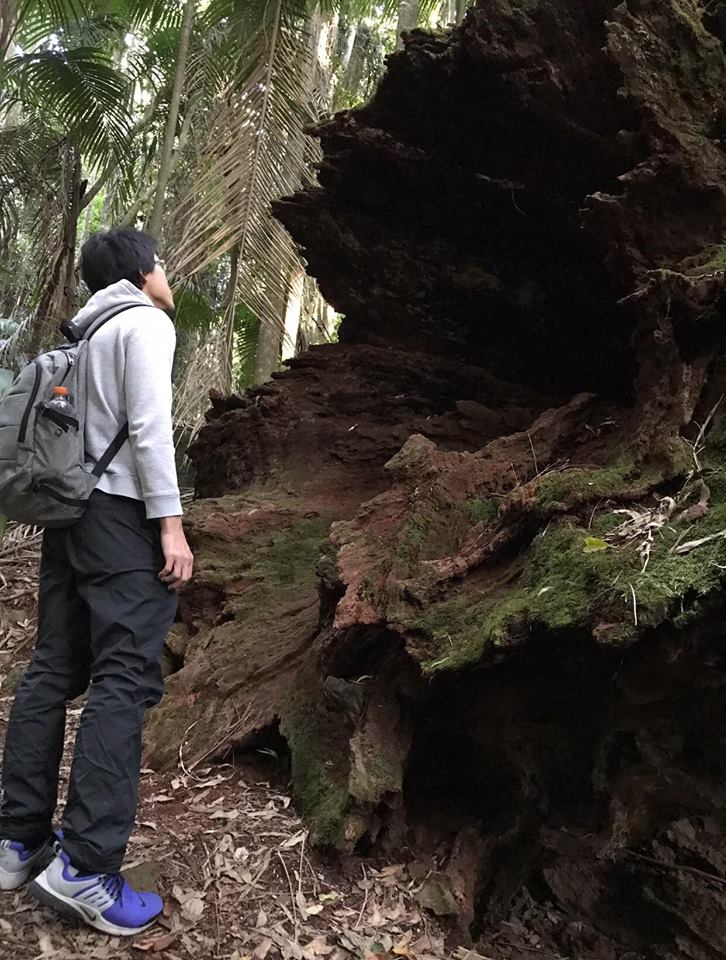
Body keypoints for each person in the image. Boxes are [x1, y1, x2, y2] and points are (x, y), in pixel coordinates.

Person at [0, 228, 194, 936]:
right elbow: (148, 429)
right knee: (123, 676)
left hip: (70, 515)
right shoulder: (144, 322)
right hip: (118, 518)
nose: (167, 274)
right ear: (144, 272)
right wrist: (170, 526)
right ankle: (85, 867)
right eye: (163, 262)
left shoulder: (86, 334)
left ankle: (17, 842)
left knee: (52, 666)